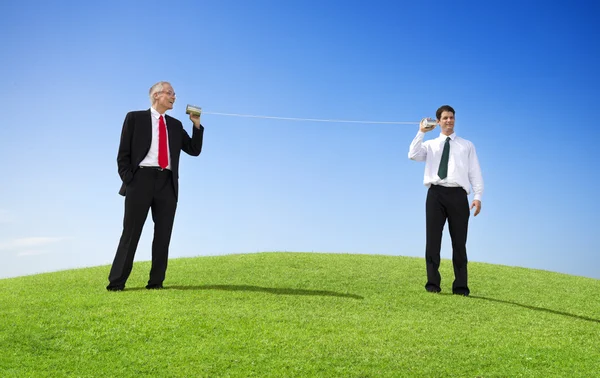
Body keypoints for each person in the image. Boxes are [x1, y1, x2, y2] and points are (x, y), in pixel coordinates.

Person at [106, 81, 204, 291]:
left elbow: (194, 150)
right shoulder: (134, 118)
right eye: (169, 93)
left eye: (174, 94)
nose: (174, 97)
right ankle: (116, 283)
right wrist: (130, 180)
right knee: (131, 232)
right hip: (140, 180)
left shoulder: (176, 125)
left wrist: (195, 124)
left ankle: (156, 282)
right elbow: (123, 154)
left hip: (167, 183)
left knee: (163, 234)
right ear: (156, 95)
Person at [408, 105, 483, 296]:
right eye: (445, 118)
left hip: (459, 196)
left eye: (451, 118)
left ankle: (461, 287)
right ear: (438, 121)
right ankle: (433, 284)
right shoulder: (431, 145)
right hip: (435, 195)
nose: (449, 121)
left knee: (459, 243)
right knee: (433, 241)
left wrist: (477, 196)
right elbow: (413, 155)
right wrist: (420, 132)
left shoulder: (467, 145)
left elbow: (474, 171)